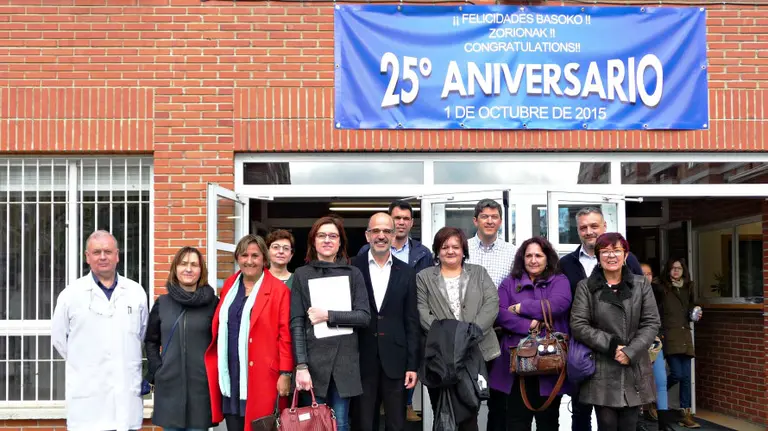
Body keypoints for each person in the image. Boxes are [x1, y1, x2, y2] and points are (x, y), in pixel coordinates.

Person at [51, 230, 149, 431]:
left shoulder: (135, 292)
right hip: (87, 402)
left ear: (117, 255)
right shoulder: (71, 295)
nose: (102, 257)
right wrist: (87, 364)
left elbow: (142, 333)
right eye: (96, 252)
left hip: (125, 401)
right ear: (87, 257)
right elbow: (60, 340)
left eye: (108, 251)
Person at [559, 207, 643, 431]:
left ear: (605, 226)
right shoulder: (566, 264)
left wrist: (632, 347)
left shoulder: (628, 260)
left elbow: (642, 303)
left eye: (594, 226)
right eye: (583, 227)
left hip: (619, 350)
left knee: (618, 415)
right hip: (583, 347)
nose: (589, 231)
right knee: (580, 410)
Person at [570, 233, 660, 431]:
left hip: (634, 365)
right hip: (602, 365)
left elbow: (652, 322)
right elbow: (578, 324)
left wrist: (630, 351)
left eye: (617, 251)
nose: (611, 256)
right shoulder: (585, 287)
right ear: (598, 257)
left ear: (625, 255)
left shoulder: (641, 284)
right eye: (605, 252)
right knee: (607, 424)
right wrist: (612, 345)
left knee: (630, 424)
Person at [204, 234, 293, 431]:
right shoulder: (229, 285)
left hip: (263, 377)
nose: (249, 261)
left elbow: (285, 335)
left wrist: (285, 373)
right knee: (234, 424)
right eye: (244, 255)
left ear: (264, 259)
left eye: (255, 255)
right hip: (232, 373)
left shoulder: (279, 290)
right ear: (237, 258)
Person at [291, 216, 371, 431]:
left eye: (333, 236)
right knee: (312, 424)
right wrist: (301, 366)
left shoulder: (354, 274)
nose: (327, 240)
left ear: (340, 243)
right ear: (313, 241)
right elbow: (297, 323)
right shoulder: (302, 274)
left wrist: (328, 315)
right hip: (312, 366)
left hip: (344, 364)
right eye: (321, 235)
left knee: (340, 424)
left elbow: (363, 317)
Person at [416, 227, 500, 431]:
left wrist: (469, 334)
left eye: (455, 246)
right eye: (444, 247)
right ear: (437, 251)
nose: (450, 251)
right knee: (442, 412)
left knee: (470, 408)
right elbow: (421, 310)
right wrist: (450, 338)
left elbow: (492, 303)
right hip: (439, 355)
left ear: (464, 250)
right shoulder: (424, 276)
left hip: (476, 351)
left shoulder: (479, 273)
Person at [357, 199, 432, 420]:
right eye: (376, 231)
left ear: (393, 236)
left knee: (396, 422)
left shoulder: (408, 272)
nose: (381, 235)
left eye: (386, 231)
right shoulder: (353, 267)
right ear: (367, 235)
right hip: (362, 358)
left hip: (397, 360)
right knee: (363, 421)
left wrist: (412, 365)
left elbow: (411, 321)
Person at [489, 237, 572, 431]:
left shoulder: (559, 280)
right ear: (522, 258)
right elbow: (499, 313)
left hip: (550, 360)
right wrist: (529, 325)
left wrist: (521, 307)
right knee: (516, 420)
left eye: (538, 255)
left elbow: (558, 305)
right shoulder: (509, 283)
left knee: (549, 421)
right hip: (516, 361)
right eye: (529, 256)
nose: (533, 260)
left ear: (547, 258)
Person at [145, 246, 219, 431]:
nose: (188, 269)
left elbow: (220, 343)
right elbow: (151, 340)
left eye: (194, 264)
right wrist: (158, 368)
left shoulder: (213, 304)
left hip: (201, 389)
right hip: (170, 387)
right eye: (183, 263)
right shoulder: (162, 303)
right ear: (175, 269)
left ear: (201, 270)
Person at [465, 199, 516, 430]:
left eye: (494, 217)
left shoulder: (512, 253)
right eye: (484, 216)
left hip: (499, 334)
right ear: (476, 220)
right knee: (467, 397)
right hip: (466, 333)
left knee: (499, 399)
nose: (489, 220)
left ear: (501, 222)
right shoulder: (461, 249)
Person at [659, 258, 701, 429]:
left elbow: (693, 307)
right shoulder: (661, 288)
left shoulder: (688, 288)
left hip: (684, 335)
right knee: (676, 374)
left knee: (686, 378)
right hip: (669, 335)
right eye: (673, 268)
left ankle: (686, 414)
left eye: (679, 268)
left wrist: (697, 312)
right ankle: (655, 397)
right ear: (668, 271)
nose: (676, 271)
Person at [640, 263, 674, 431]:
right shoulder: (631, 292)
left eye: (649, 274)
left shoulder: (659, 294)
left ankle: (664, 424)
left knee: (661, 381)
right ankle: (638, 421)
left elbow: (663, 319)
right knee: (638, 383)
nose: (647, 277)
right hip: (637, 343)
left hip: (655, 343)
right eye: (643, 273)